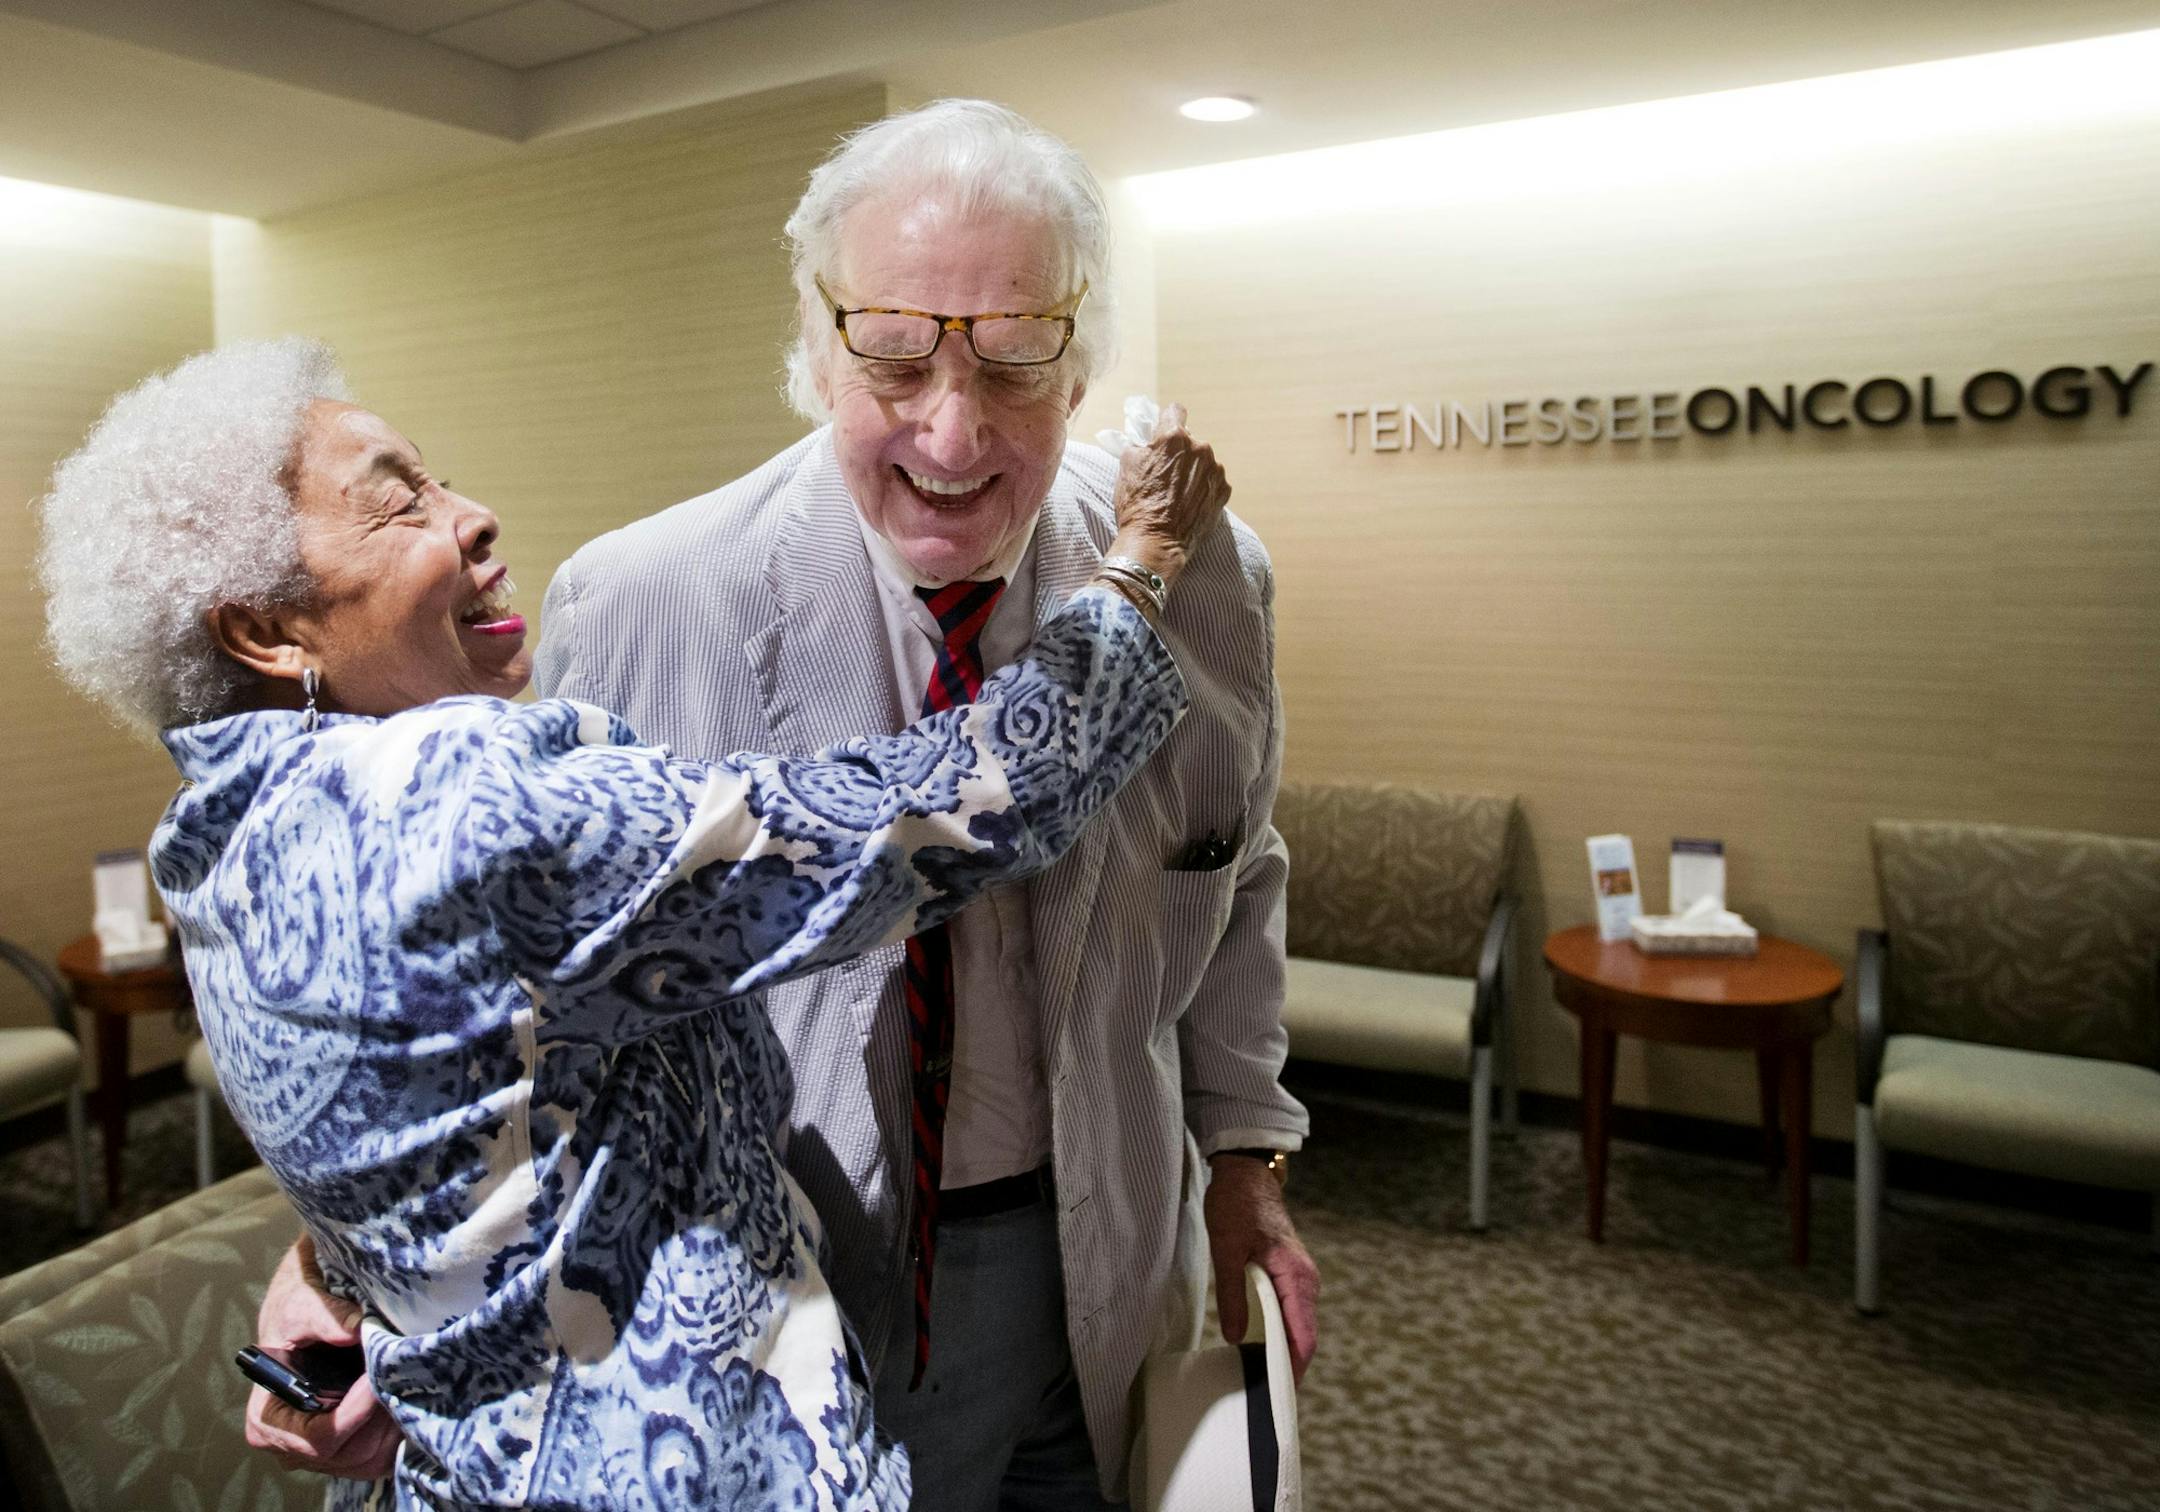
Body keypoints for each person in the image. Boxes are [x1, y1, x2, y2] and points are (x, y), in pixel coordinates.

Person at [259, 98, 1320, 1508]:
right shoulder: (649, 600)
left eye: (1016, 359)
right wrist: (335, 1255)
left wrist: (1246, 1165)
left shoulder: (1205, 572)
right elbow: (489, 1002)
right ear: (819, 351)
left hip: (1118, 1233)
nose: (955, 429)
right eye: (893, 354)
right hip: (794, 1273)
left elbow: (1235, 872)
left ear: (1085, 363)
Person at [37, 335, 1229, 1510]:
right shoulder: (459, 792)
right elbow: (934, 813)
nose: (473, 514)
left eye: (438, 477)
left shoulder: (212, 841)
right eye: (398, 508)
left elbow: (433, 1137)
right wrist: (1142, 566)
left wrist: (330, 1271)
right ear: (265, 630)